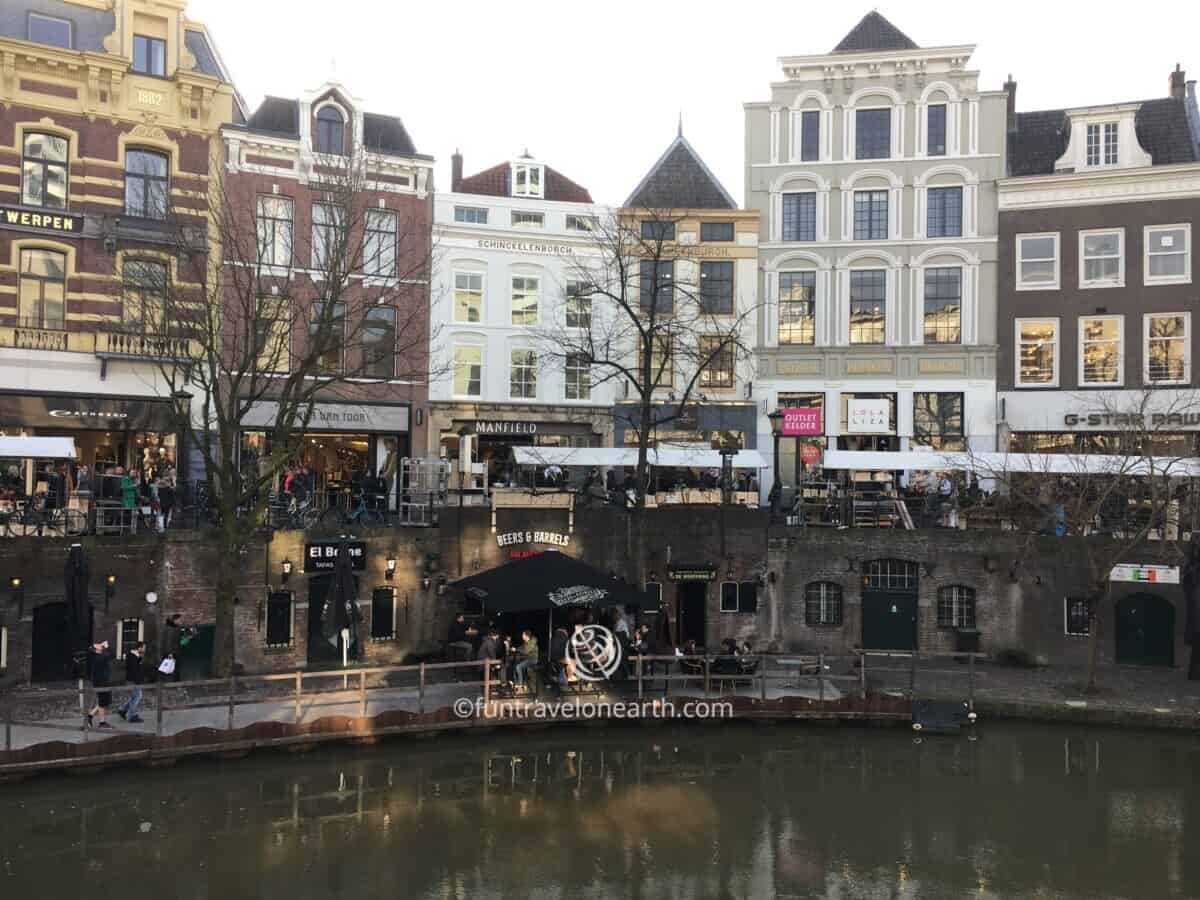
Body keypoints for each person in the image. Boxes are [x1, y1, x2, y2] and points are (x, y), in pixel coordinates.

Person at [86, 640, 115, 730]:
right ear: (96, 650)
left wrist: (103, 647)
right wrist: (106, 647)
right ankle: (101, 722)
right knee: (103, 702)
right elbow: (111, 655)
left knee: (104, 701)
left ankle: (90, 716)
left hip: (104, 681)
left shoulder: (100, 655)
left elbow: (111, 655)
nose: (100, 645)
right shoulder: (98, 657)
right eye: (98, 646)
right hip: (100, 682)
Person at [118, 641, 147, 723]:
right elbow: (134, 670)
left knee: (134, 697)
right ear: (139, 648)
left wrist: (140, 657)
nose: (145, 649)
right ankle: (131, 716)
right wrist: (138, 681)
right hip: (133, 681)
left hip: (133, 680)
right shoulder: (132, 656)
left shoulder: (135, 656)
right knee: (137, 697)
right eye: (144, 647)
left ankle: (123, 710)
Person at [548, 626, 570, 690]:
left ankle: (557, 681)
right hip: (561, 657)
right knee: (563, 669)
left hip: (553, 657)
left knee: (560, 669)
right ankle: (564, 684)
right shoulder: (565, 638)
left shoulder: (553, 638)